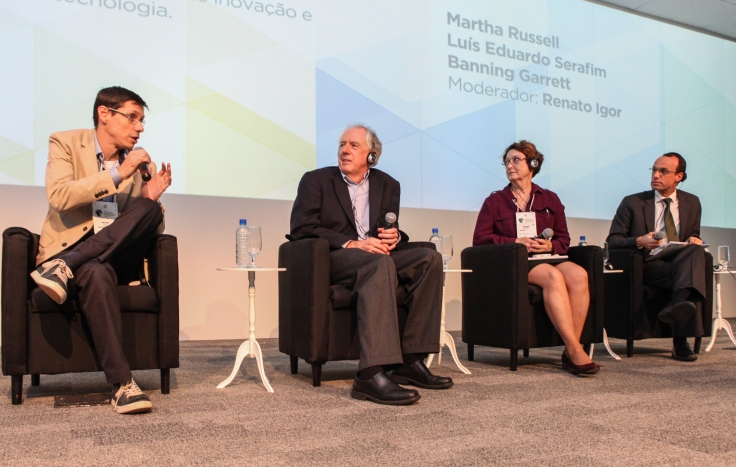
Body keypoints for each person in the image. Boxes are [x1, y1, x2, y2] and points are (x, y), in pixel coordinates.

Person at [30, 86, 172, 413]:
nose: (140, 128)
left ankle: (65, 265)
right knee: (93, 271)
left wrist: (149, 198)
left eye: (142, 121)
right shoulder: (65, 142)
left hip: (114, 255)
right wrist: (119, 173)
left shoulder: (139, 166)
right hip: (85, 256)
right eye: (132, 118)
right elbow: (60, 196)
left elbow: (140, 229)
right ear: (104, 114)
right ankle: (123, 385)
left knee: (150, 211)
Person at [289, 124, 451, 405]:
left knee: (429, 258)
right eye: (342, 144)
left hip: (373, 255)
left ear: (372, 155)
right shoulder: (316, 180)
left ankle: (410, 360)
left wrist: (395, 236)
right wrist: (352, 243)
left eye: (353, 145)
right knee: (378, 264)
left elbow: (388, 230)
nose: (344, 150)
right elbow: (302, 228)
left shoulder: (388, 184)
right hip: (334, 256)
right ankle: (370, 373)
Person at [473, 140, 599, 375]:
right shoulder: (495, 201)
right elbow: (480, 240)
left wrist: (549, 245)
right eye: (507, 161)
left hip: (548, 257)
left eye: (516, 160)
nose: (510, 165)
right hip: (516, 262)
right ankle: (574, 350)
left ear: (533, 164)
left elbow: (564, 240)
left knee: (580, 274)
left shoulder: (550, 199)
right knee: (552, 276)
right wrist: (514, 242)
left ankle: (571, 348)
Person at [607, 152, 705, 362]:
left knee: (695, 251)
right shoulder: (633, 202)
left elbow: (692, 233)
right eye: (654, 170)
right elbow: (613, 240)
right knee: (689, 278)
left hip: (677, 261)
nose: (656, 175)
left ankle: (676, 306)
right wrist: (639, 241)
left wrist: (694, 239)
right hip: (646, 263)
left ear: (679, 176)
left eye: (663, 171)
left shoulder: (692, 202)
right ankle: (680, 341)